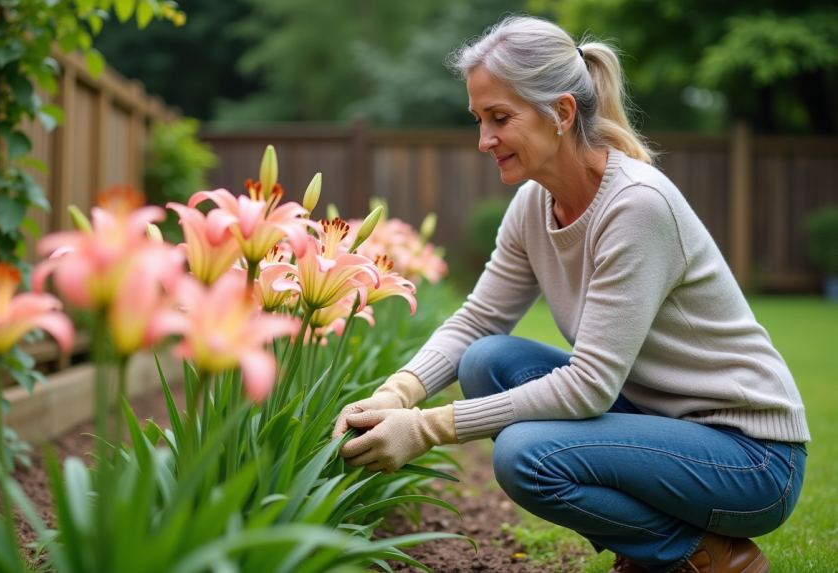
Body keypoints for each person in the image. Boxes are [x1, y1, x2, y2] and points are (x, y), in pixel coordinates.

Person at [331, 15, 808, 573]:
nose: (484, 140)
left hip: (751, 458)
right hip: (662, 428)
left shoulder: (636, 207)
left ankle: (700, 557)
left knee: (524, 457)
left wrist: (429, 428)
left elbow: (589, 387)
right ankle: (654, 546)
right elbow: (480, 319)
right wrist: (397, 394)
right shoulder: (534, 205)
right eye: (479, 120)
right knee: (488, 359)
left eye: (499, 118)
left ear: (561, 112)